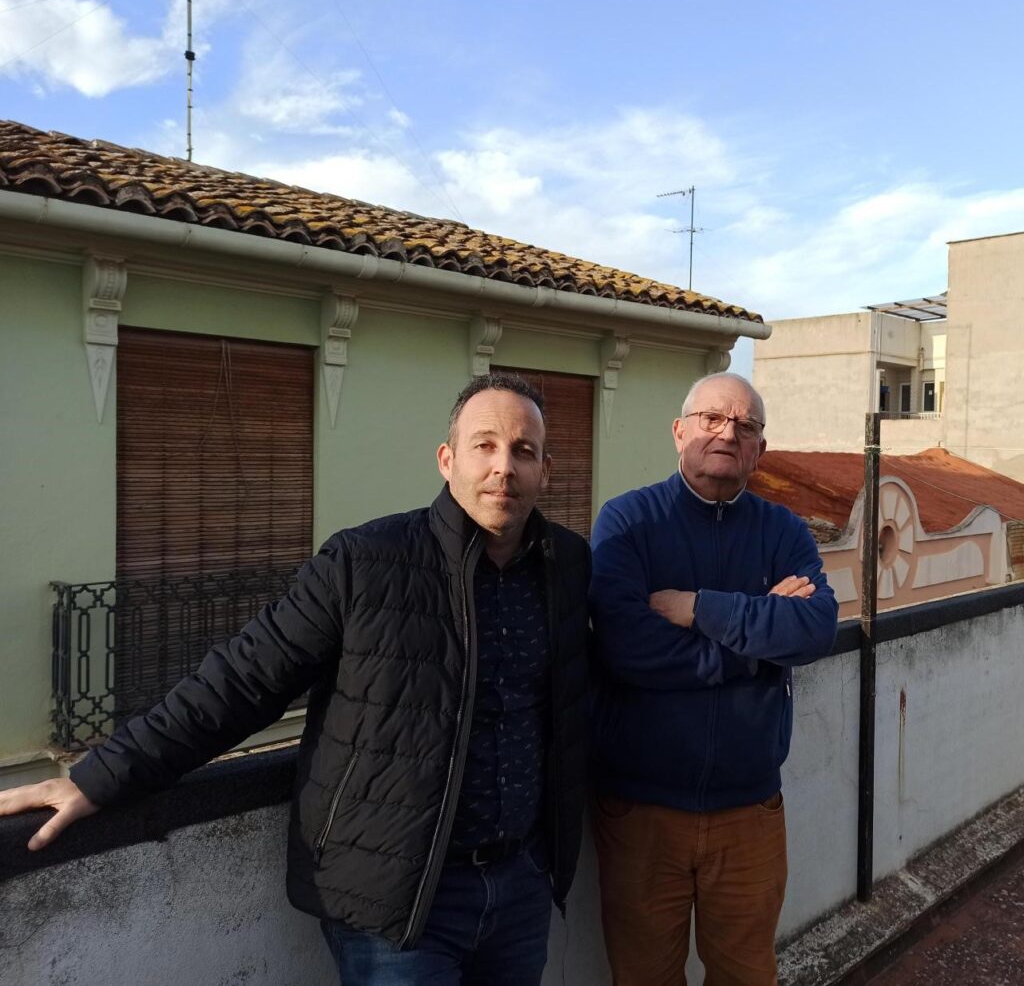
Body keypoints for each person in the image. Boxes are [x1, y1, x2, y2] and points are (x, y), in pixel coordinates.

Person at [0, 372, 591, 986]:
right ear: (447, 460)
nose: (504, 467)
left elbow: (573, 702)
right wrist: (98, 778)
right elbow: (240, 682)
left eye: (523, 451)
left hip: (520, 886)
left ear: (545, 469)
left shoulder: (566, 564)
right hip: (396, 899)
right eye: (484, 445)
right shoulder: (366, 561)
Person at [588, 372, 838, 986]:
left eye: (745, 426)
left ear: (760, 448)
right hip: (642, 811)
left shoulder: (782, 529)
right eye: (712, 419)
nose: (728, 433)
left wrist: (702, 609)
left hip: (749, 810)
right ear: (680, 432)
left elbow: (814, 627)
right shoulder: (627, 522)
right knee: (644, 976)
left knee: (747, 974)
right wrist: (756, 648)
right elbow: (626, 648)